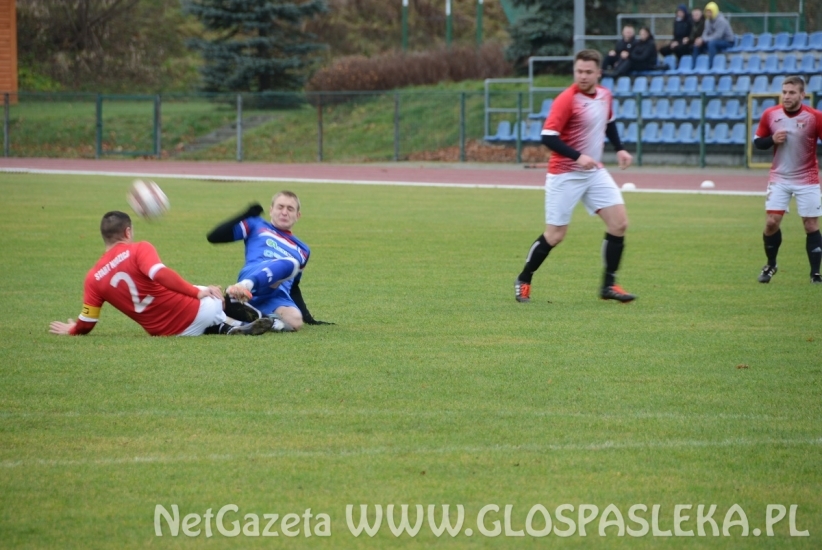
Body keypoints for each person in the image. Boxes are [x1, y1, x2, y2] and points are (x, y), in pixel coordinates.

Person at [514, 49, 636, 304]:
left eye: (588, 72)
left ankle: (608, 285)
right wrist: (577, 156)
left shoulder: (604, 95)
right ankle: (524, 278)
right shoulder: (566, 99)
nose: (583, 76)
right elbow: (548, 136)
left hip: (593, 172)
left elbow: (609, 122)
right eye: (579, 71)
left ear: (598, 73)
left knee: (619, 224)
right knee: (555, 235)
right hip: (565, 174)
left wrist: (621, 148)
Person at [50, 211, 273, 337]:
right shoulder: (138, 249)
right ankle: (269, 322)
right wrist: (197, 293)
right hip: (196, 313)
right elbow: (160, 274)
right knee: (216, 293)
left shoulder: (93, 278)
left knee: (201, 297)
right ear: (127, 232)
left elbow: (87, 322)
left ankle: (227, 328)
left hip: (165, 333)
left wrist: (73, 329)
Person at [207, 191, 331, 331]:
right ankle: (243, 289)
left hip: (276, 294)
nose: (284, 212)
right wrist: (245, 215)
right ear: (271, 210)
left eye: (290, 209)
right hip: (252, 276)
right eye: (280, 207)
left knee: (295, 321)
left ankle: (252, 315)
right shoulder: (257, 225)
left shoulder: (303, 250)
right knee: (290, 263)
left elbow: (293, 287)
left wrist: (308, 318)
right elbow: (214, 237)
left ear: (298, 215)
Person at [753, 75, 822, 284]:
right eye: (784, 92)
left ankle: (815, 274)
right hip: (780, 177)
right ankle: (771, 265)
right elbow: (758, 143)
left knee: (810, 225)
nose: (787, 96)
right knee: (772, 223)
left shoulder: (815, 117)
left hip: (808, 177)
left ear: (802, 94)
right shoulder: (770, 114)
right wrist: (771, 139)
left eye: (792, 92)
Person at [692, 2, 734, 66]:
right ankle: (694, 66)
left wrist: (704, 39)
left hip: (727, 41)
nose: (708, 14)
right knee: (697, 44)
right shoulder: (707, 20)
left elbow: (718, 36)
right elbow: (705, 32)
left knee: (712, 43)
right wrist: (701, 39)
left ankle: (711, 65)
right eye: (707, 12)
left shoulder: (721, 21)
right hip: (713, 40)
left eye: (710, 12)